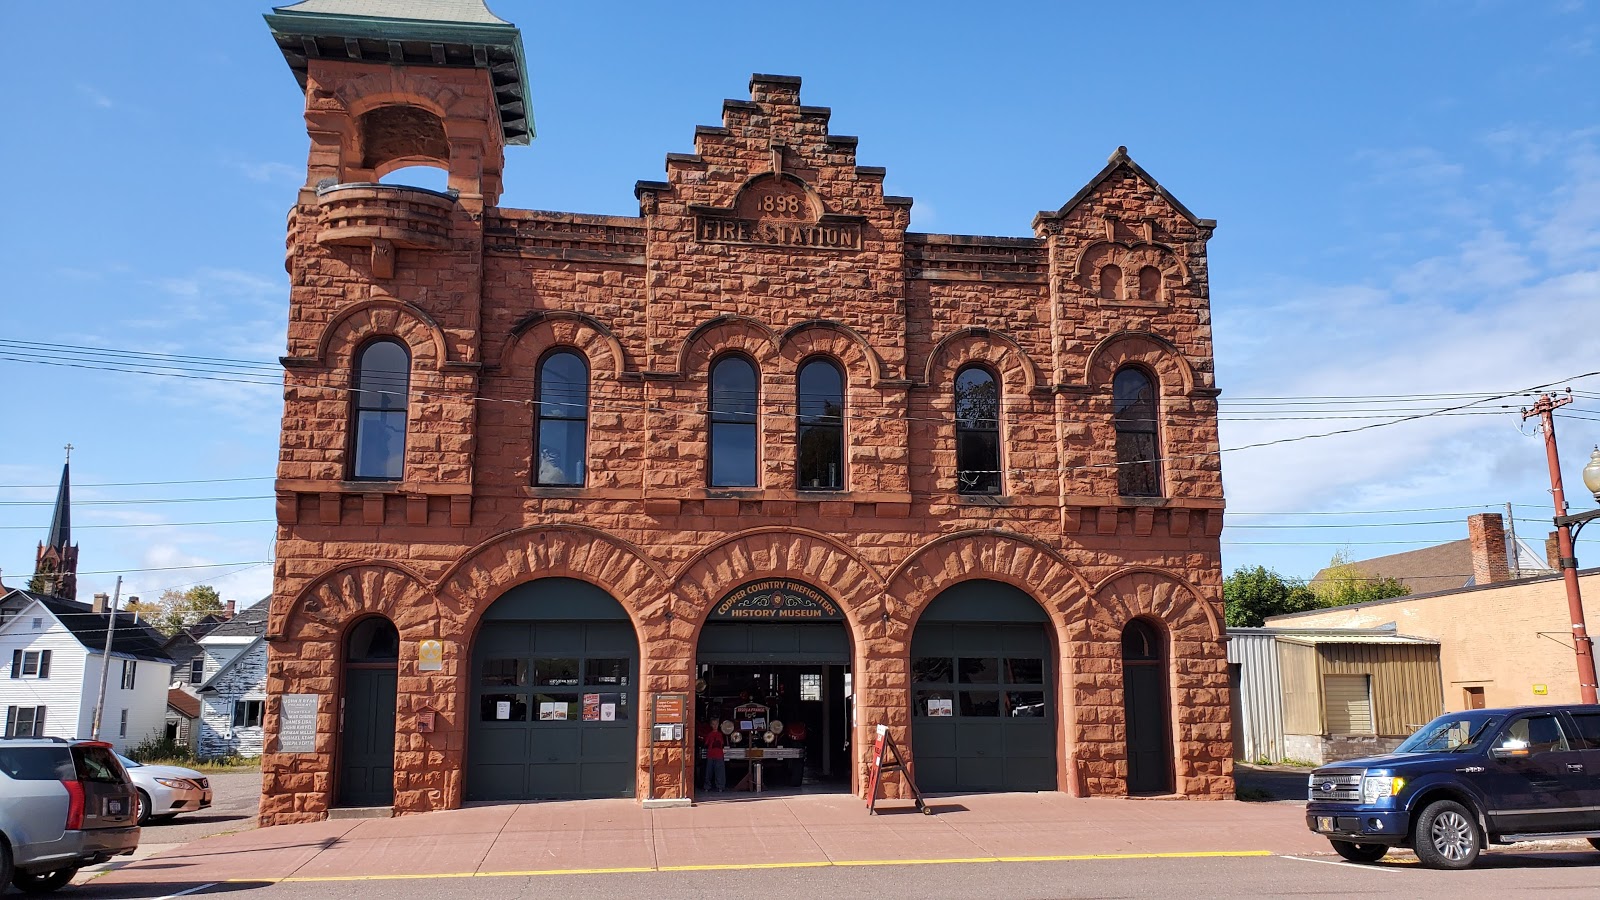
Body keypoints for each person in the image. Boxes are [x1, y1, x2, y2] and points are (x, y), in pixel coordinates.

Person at [703, 718, 727, 793]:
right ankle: (707, 786)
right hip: (711, 755)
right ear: (711, 725)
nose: (715, 726)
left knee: (720, 773)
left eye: (716, 724)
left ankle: (720, 787)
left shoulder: (721, 734)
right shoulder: (709, 734)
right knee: (708, 773)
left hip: (719, 755)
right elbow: (706, 743)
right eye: (713, 724)